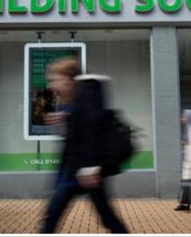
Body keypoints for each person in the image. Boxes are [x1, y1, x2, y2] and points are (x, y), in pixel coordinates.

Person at [40, 58, 128, 234]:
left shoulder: (87, 93)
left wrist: (90, 166)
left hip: (84, 171)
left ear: (67, 78)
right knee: (106, 217)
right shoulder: (69, 99)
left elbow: (93, 130)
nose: (51, 86)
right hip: (75, 170)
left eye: (54, 80)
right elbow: (76, 132)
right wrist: (63, 121)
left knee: (53, 217)